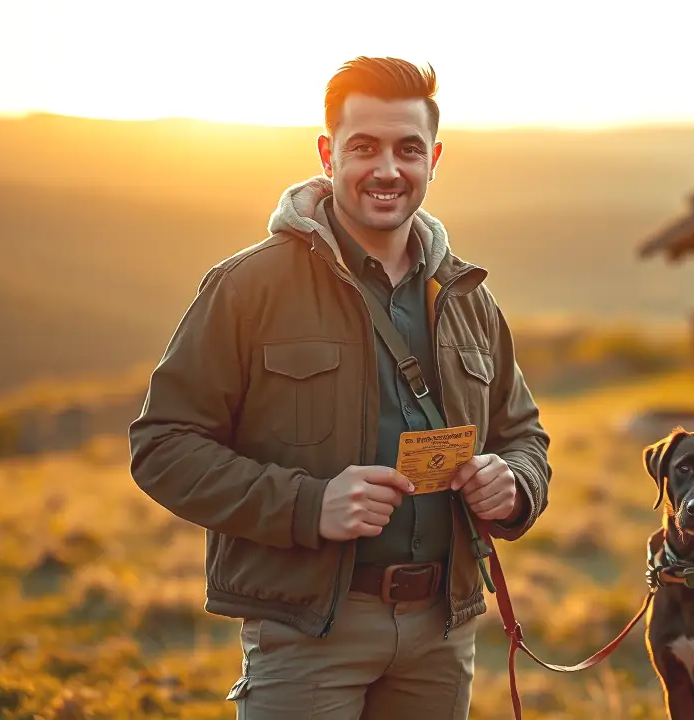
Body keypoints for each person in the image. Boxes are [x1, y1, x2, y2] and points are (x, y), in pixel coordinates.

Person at [128, 56, 552, 719]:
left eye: (408, 149)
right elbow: (161, 447)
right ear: (329, 153)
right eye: (365, 148)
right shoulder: (247, 287)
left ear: (434, 158)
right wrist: (309, 505)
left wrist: (516, 484)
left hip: (442, 633)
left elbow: (524, 434)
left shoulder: (468, 297)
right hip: (306, 633)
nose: (387, 169)